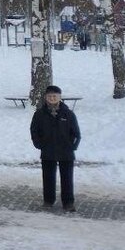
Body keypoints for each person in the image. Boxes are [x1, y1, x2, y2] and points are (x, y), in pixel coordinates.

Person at [30, 84, 81, 212]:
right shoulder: (39, 114)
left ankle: (68, 202)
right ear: (46, 97)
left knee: (67, 178)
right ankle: (48, 200)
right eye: (50, 96)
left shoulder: (68, 114)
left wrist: (72, 146)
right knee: (48, 177)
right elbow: (34, 131)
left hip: (66, 151)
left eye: (55, 96)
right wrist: (38, 144)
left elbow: (76, 133)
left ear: (60, 97)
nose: (52, 98)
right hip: (48, 150)